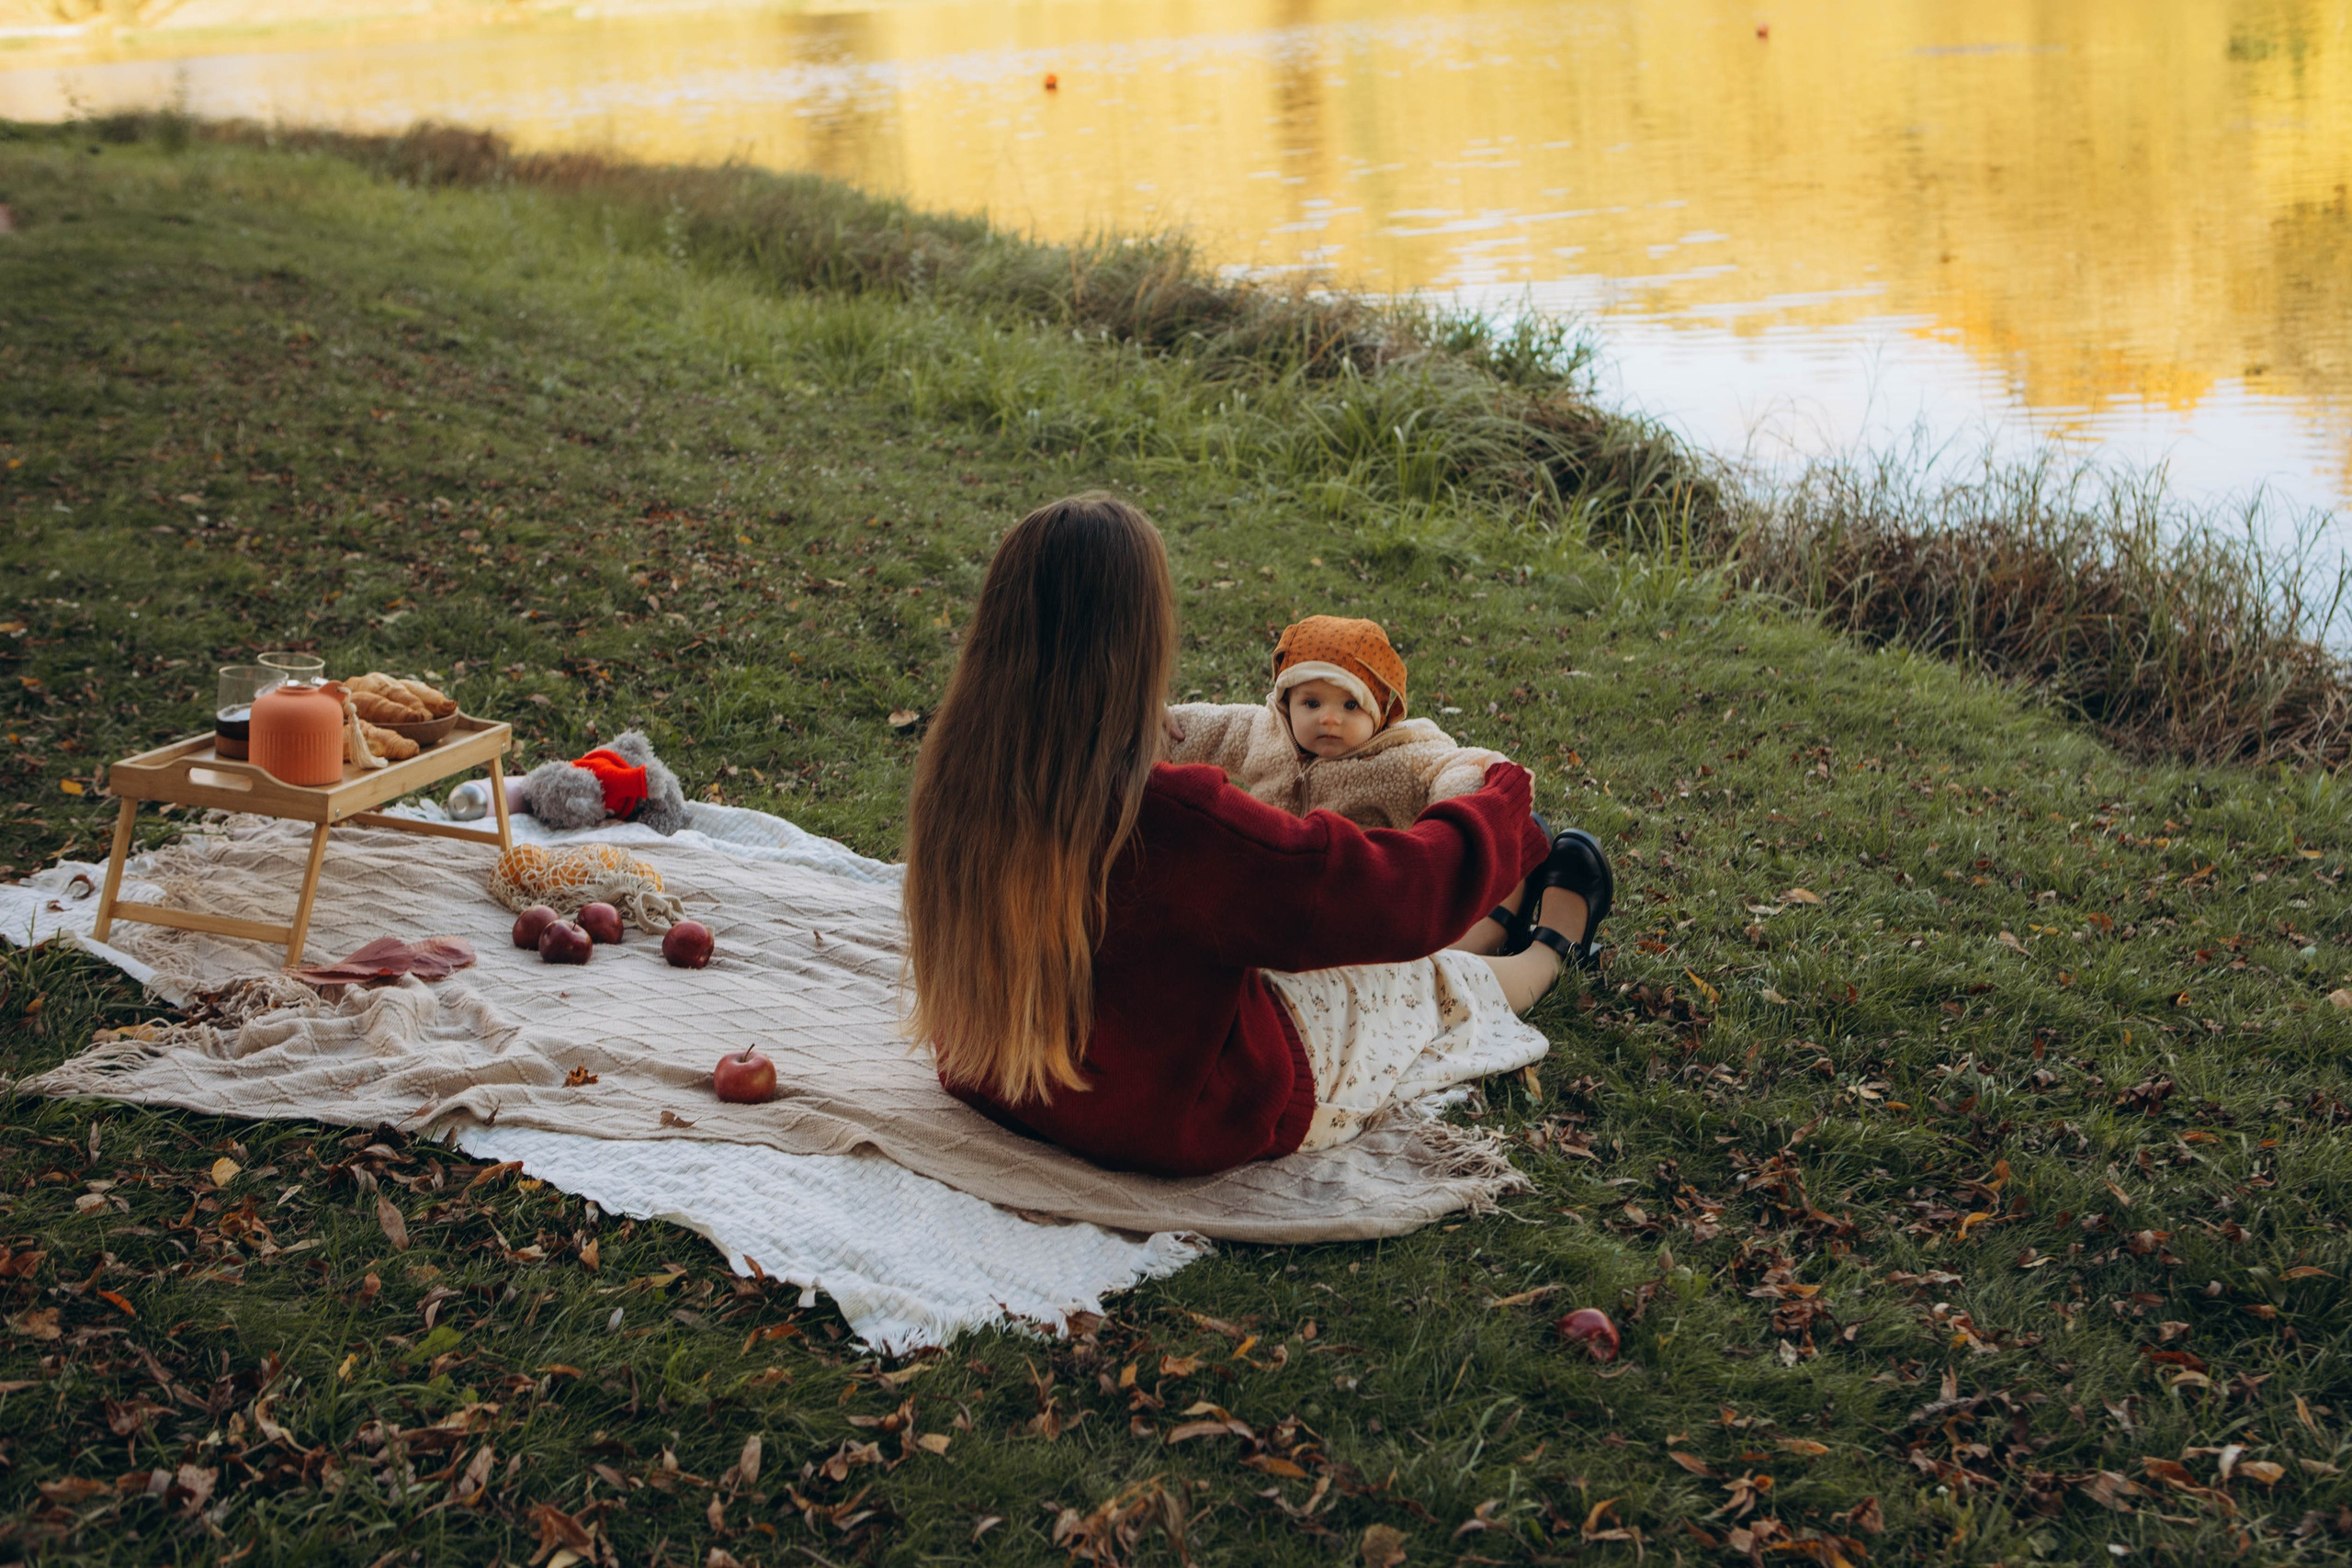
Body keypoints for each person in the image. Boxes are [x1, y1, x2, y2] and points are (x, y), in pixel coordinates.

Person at [901, 494, 1613, 1179]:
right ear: (1139, 641)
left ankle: (1489, 925)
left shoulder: (962, 767)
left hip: (994, 1074)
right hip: (1178, 1114)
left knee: (1252, 942)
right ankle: (1551, 950)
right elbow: (1382, 895)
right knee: (1404, 975)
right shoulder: (1169, 819)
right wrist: (1495, 809)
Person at [1164, 614, 1508, 830]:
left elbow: (1448, 766)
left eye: (1350, 705)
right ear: (1287, 703)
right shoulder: (1265, 732)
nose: (1329, 718)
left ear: (1378, 714)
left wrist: (1478, 779)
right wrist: (1152, 723)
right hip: (1263, 871)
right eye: (1311, 703)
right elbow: (1211, 729)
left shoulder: (1399, 756)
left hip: (1353, 889)